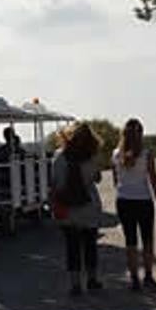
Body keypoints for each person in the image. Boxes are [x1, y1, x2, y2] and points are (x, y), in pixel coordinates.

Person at [112, 118, 156, 291]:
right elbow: (154, 181)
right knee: (147, 240)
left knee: (130, 241)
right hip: (143, 200)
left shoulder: (116, 154)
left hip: (124, 200)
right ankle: (148, 276)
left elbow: (115, 181)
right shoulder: (147, 154)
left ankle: (134, 278)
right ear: (141, 134)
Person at [51, 122, 104, 295]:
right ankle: (92, 279)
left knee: (72, 247)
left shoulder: (59, 156)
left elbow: (56, 182)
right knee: (90, 245)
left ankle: (75, 284)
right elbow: (97, 178)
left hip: (68, 208)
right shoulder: (92, 156)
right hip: (89, 206)